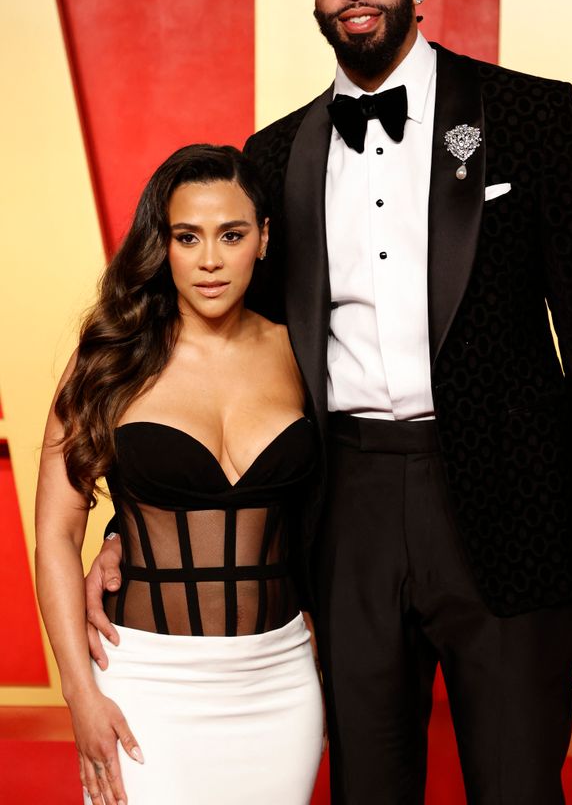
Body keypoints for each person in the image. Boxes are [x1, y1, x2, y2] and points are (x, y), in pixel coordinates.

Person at [85, 0, 572, 804]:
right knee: (367, 787)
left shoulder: (531, 116)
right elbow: (231, 358)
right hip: (345, 507)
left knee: (519, 787)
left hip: (513, 509)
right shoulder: (273, 157)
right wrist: (136, 524)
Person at [36, 144, 324, 805]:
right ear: (162, 244)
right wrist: (80, 694)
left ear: (264, 238)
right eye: (187, 237)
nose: (210, 260)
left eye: (232, 234)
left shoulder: (299, 352)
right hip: (144, 683)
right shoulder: (109, 358)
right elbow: (54, 533)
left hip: (280, 680)